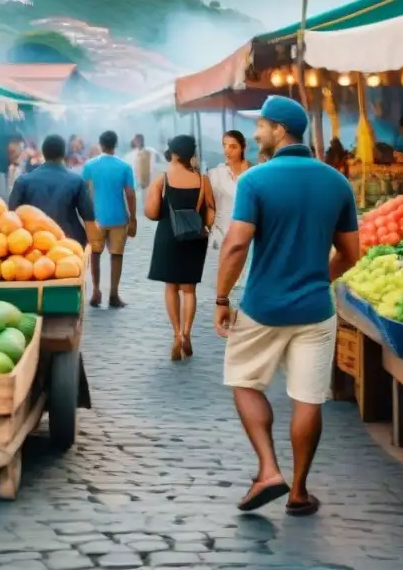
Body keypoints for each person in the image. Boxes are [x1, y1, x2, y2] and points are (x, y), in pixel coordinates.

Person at [214, 95, 360, 516]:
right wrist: (318, 279)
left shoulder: (256, 181)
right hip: (316, 310)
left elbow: (237, 243)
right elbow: (352, 253)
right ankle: (298, 491)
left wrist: (222, 297)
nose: (257, 133)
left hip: (262, 306)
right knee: (308, 399)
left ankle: (267, 470)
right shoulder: (336, 182)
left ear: (280, 130)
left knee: (243, 380)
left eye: (261, 125)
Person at [145, 135, 215, 360]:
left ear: (173, 153)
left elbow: (152, 213)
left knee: (171, 287)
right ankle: (187, 333)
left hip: (169, 236)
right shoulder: (203, 180)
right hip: (194, 237)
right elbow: (211, 213)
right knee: (189, 289)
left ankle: (176, 334)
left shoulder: (162, 178)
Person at [83, 130, 137, 309]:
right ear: (115, 144)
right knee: (116, 255)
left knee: (95, 255)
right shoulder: (124, 167)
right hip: (118, 218)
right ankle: (114, 294)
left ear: (100, 144)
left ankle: (96, 291)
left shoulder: (89, 165)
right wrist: (133, 218)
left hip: (95, 218)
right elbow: (130, 193)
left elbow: (83, 192)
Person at [9, 134, 95, 245]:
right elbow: (89, 218)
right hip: (71, 244)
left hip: (33, 245)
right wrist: (94, 246)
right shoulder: (77, 181)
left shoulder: (23, 181)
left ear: (43, 153)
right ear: (64, 153)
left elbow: (11, 216)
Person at [208, 131, 252, 287]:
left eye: (233, 146)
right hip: (223, 233)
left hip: (248, 231)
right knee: (227, 281)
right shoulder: (215, 174)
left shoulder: (253, 173)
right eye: (224, 145)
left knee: (246, 279)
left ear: (243, 148)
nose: (227, 151)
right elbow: (209, 203)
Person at [124, 134, 162, 201]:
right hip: (136, 180)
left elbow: (158, 159)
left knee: (144, 196)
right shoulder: (131, 155)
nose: (137, 142)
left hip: (145, 180)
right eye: (136, 140)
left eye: (138, 140)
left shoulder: (149, 151)